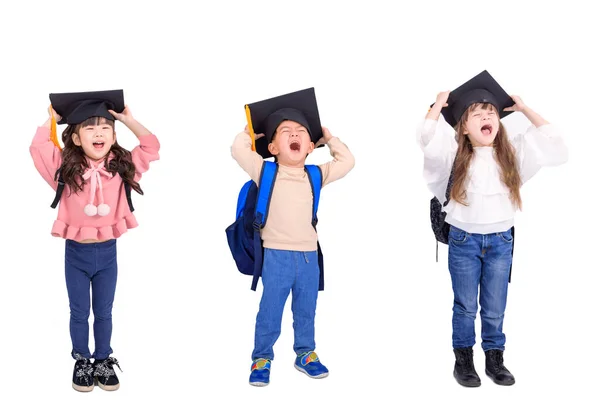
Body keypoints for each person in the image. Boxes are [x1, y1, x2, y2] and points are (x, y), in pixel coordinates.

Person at [417, 71, 568, 387]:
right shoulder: (453, 155)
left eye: (491, 113)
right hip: (464, 239)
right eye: (477, 114)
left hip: (501, 239)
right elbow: (427, 139)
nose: (487, 117)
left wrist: (524, 109)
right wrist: (439, 104)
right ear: (464, 127)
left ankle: (495, 359)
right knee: (466, 306)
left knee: (495, 306)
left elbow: (554, 142)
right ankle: (464, 361)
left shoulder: (512, 153)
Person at [29, 90, 160, 392]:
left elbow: (151, 146)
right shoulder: (65, 170)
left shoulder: (123, 169)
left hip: (108, 254)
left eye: (105, 128)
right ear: (75, 138)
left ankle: (103, 358)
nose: (98, 132)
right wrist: (51, 118)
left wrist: (128, 120)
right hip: (76, 254)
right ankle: (82, 360)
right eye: (89, 127)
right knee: (78, 312)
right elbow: (38, 146)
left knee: (104, 311)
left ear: (114, 136)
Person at [231, 88, 355, 386]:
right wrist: (250, 133)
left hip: (309, 256)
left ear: (310, 146)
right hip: (275, 254)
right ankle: (261, 358)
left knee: (306, 309)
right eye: (285, 132)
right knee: (270, 309)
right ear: (272, 147)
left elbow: (347, 161)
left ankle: (305, 354)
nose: (294, 134)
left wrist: (330, 138)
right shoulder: (265, 171)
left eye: (300, 131)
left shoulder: (315, 174)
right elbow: (238, 150)